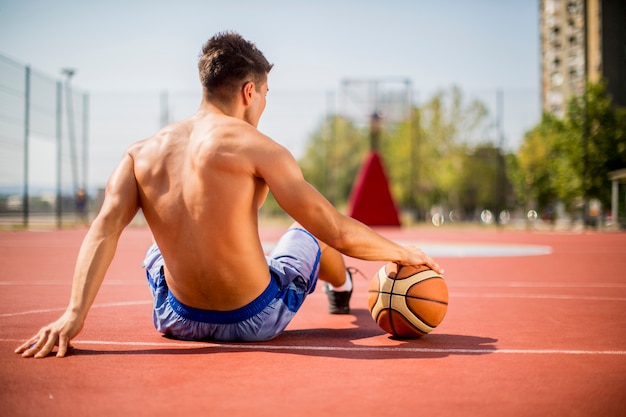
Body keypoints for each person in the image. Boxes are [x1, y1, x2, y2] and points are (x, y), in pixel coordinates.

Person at [15, 31, 442, 358]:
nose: (263, 106)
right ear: (249, 92)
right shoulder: (260, 148)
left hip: (176, 319)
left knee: (154, 252)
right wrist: (402, 252)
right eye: (265, 96)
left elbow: (103, 232)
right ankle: (341, 282)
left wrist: (73, 315)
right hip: (254, 319)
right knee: (307, 231)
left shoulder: (140, 153)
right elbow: (335, 229)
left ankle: (335, 282)